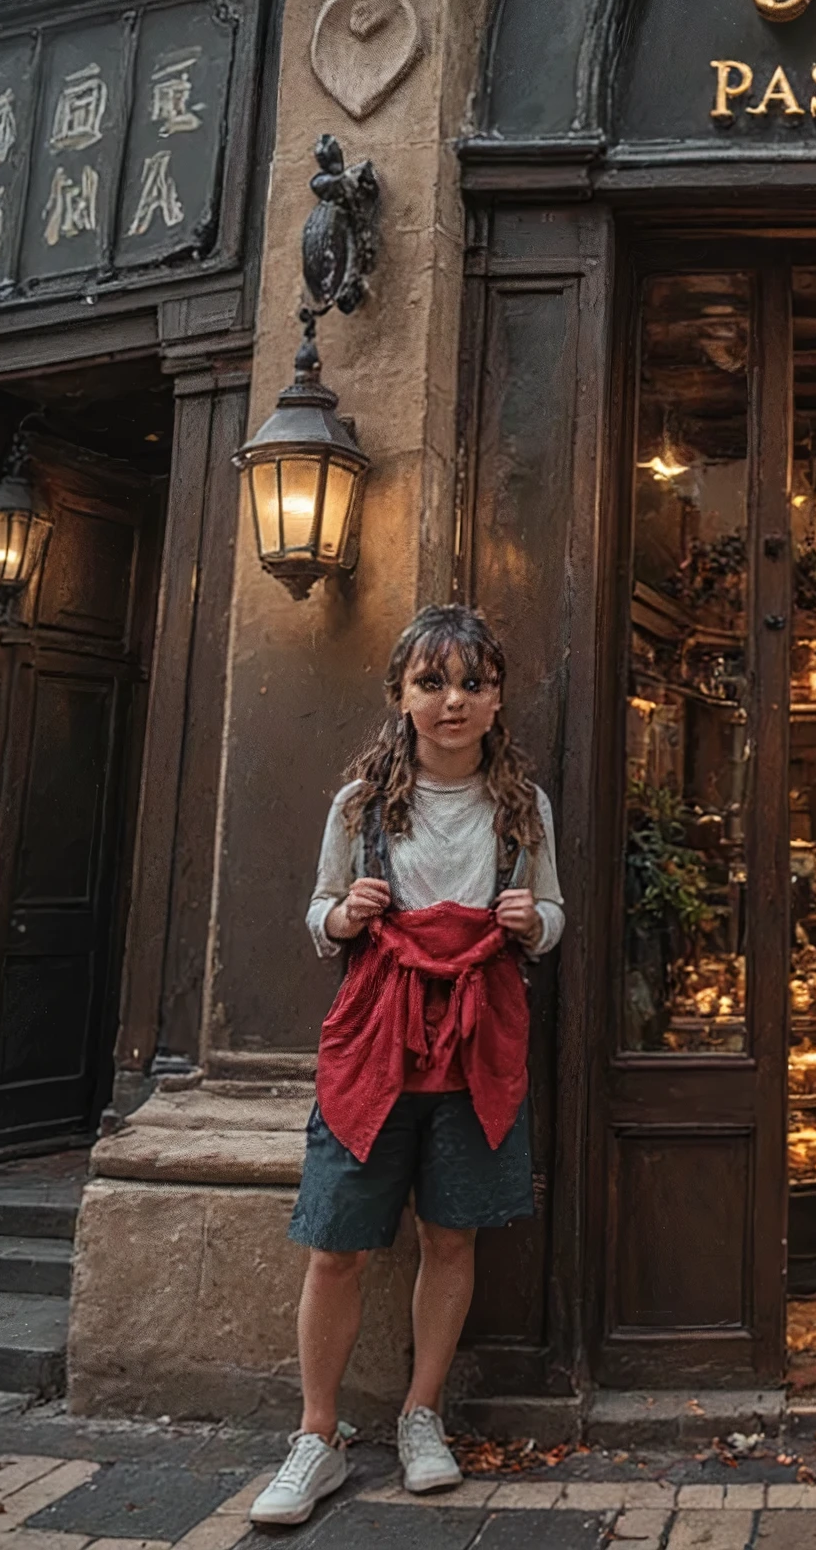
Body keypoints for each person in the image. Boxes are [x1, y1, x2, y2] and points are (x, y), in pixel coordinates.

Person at [249, 605, 565, 1528]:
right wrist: (345, 915)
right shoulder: (360, 805)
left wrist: (529, 924)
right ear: (401, 697)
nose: (453, 701)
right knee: (338, 1245)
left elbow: (553, 916)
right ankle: (318, 1436)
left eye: (472, 683)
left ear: (499, 697)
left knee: (451, 1239)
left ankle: (422, 1417)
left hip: (474, 1050)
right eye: (432, 684)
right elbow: (317, 913)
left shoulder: (522, 808)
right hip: (374, 1048)